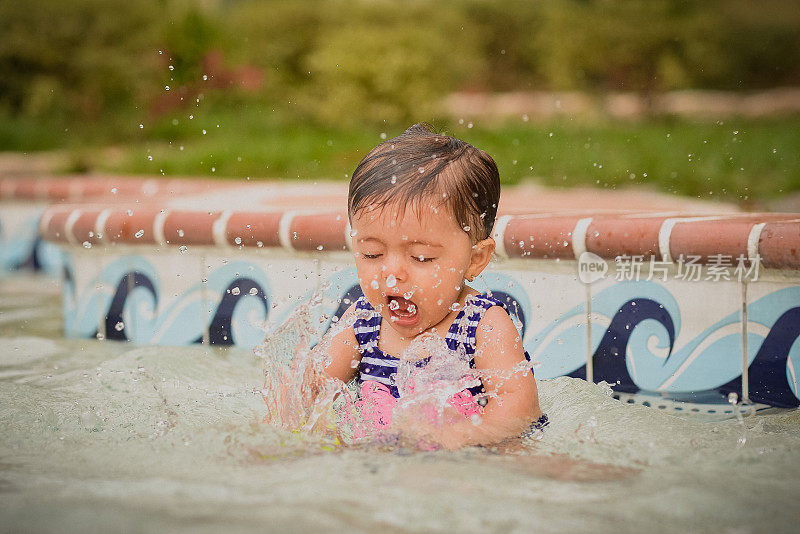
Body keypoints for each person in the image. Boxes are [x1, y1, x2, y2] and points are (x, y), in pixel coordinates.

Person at [309, 123, 545, 449]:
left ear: (476, 258)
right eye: (372, 253)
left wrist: (457, 436)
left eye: (421, 257)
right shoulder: (362, 322)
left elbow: (520, 409)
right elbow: (311, 387)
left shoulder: (482, 325)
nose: (392, 273)